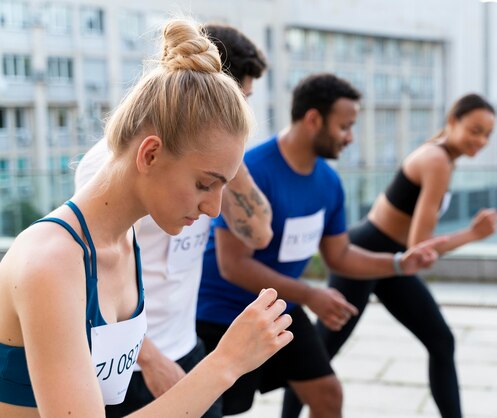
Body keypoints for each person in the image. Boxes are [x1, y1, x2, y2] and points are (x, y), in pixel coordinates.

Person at [0, 19, 292, 418]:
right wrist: (226, 363)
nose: (214, 209)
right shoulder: (51, 261)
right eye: (206, 184)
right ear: (150, 155)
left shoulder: (123, 240)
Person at [195, 73, 445, 418]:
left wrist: (401, 264)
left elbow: (339, 255)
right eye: (344, 126)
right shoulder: (252, 170)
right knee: (223, 410)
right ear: (313, 119)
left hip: (280, 307)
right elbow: (233, 265)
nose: (350, 137)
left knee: (327, 395)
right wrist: (311, 295)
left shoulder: (328, 181)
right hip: (222, 314)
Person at [74, 23, 272, 418]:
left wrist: (229, 162)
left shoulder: (215, 163)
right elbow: (90, 279)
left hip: (187, 343)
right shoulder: (111, 167)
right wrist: (150, 360)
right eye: (239, 98)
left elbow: (260, 233)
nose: (211, 207)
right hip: (133, 362)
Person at [282, 93, 497, 418]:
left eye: (487, 134)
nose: (481, 140)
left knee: (440, 341)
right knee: (320, 350)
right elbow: (419, 246)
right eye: (475, 130)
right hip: (366, 253)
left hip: (390, 258)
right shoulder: (437, 160)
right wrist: (472, 234)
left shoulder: (443, 158)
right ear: (452, 121)